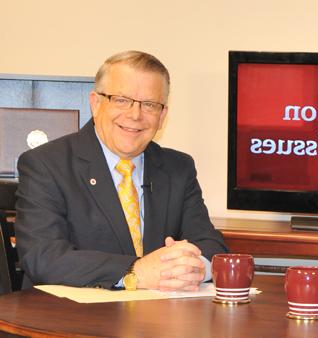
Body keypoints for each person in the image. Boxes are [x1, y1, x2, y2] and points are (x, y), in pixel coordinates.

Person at [15, 51, 227, 291]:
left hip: (157, 320)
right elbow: (43, 257)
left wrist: (194, 267)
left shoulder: (178, 168)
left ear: (162, 115)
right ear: (96, 103)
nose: (135, 115)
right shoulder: (46, 164)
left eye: (149, 104)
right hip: (70, 320)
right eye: (121, 100)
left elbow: (210, 244)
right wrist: (137, 271)